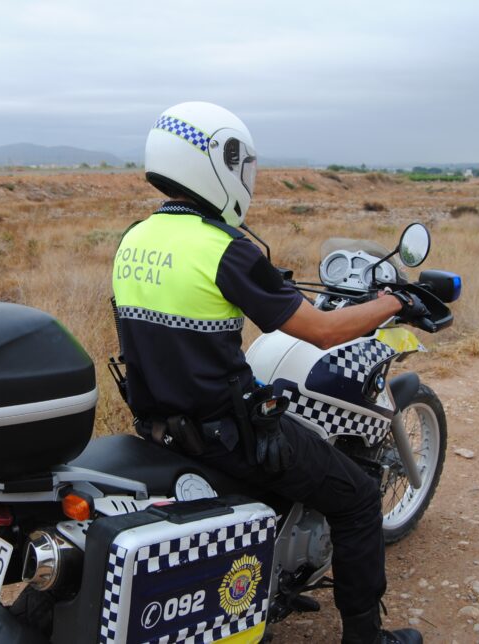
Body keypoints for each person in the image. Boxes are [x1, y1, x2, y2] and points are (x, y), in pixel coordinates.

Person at [111, 101, 426, 644]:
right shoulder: (225, 250)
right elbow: (322, 332)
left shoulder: (135, 239)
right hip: (229, 436)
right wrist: (392, 303)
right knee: (355, 497)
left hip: (162, 427)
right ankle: (366, 637)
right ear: (215, 163)